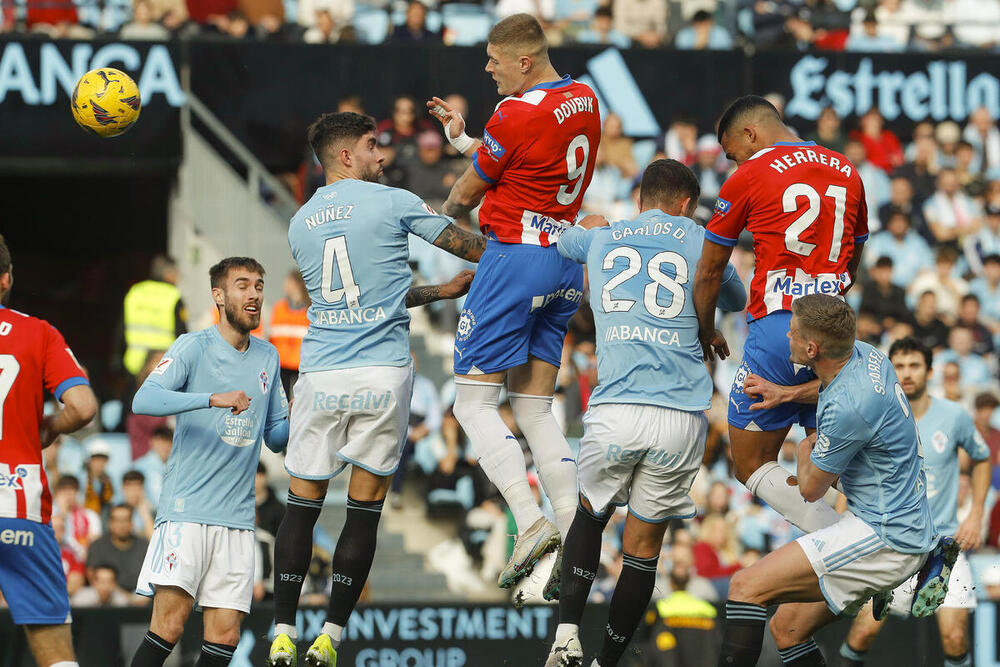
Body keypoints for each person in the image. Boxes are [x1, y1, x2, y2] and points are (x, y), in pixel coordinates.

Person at [267, 111, 484, 667]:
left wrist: (436, 291)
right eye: (372, 146)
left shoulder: (300, 224)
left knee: (302, 506)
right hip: (382, 372)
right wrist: (532, 244)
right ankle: (332, 637)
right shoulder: (394, 201)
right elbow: (470, 246)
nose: (382, 156)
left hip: (319, 373)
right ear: (346, 156)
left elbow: (360, 294)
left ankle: (283, 631)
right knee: (363, 511)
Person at [543, 159, 747, 667]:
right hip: (680, 417)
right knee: (642, 547)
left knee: (590, 515)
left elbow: (562, 237)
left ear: (640, 199)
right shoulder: (702, 240)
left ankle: (567, 635)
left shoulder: (602, 238)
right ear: (685, 204)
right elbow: (737, 298)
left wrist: (589, 224)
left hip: (617, 408)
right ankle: (605, 662)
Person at [425, 12, 602, 593]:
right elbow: (522, 159)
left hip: (515, 259)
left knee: (472, 405)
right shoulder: (583, 98)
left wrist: (433, 223)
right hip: (563, 259)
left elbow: (470, 188)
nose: (488, 68)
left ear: (523, 60)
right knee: (532, 410)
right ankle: (577, 534)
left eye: (494, 60)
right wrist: (462, 138)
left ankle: (529, 523)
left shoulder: (515, 111)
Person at [717, 294, 956, 667]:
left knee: (744, 588)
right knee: (787, 629)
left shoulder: (849, 407)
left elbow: (811, 490)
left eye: (792, 334)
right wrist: (787, 394)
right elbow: (826, 383)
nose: (787, 339)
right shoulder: (866, 354)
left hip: (884, 537)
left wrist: (801, 453)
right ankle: (919, 558)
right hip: (898, 513)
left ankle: (895, 571)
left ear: (811, 348)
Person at [692, 95, 867, 535]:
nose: (735, 164)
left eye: (733, 154)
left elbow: (711, 269)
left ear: (750, 134)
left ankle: (851, 545)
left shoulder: (750, 174)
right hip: (837, 326)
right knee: (825, 462)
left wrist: (706, 329)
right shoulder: (847, 168)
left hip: (780, 326)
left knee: (750, 463)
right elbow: (854, 256)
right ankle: (885, 547)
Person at [129, 257, 290, 667]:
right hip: (187, 513)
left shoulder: (268, 357)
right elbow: (143, 399)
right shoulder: (192, 346)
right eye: (242, 285)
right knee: (169, 626)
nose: (253, 294)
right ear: (218, 296)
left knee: (226, 636)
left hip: (237, 520)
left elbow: (276, 438)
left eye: (258, 284)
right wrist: (210, 398)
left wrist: (308, 412)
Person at [838, 338, 991, 667]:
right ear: (890, 371)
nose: (907, 374)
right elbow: (848, 475)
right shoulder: (872, 418)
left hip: (943, 544)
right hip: (888, 543)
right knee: (862, 632)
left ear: (929, 371)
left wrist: (976, 513)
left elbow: (982, 458)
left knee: (955, 638)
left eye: (915, 366)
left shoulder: (954, 416)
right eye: (900, 366)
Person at [0, 233, 98, 667]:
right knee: (57, 657)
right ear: (6, 280)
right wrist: (51, 429)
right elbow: (82, 407)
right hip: (18, 505)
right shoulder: (37, 332)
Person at [119, 255, 187, 379]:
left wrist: (116, 359)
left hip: (133, 363)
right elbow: (182, 335)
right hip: (162, 365)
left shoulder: (135, 291)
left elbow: (121, 328)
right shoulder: (173, 296)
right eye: (176, 272)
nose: (178, 277)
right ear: (168, 273)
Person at [86, 504, 150, 595]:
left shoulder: (144, 545)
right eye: (117, 520)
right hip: (108, 595)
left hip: (140, 594)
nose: (121, 525)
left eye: (125, 520)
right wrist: (124, 596)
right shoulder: (97, 546)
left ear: (131, 523)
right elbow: (91, 576)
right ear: (110, 523)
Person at [268, 270, 310, 398]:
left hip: (301, 363)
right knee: (282, 400)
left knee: (301, 400)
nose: (285, 286)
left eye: (288, 282)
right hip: (282, 363)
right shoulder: (279, 308)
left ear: (297, 284)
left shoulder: (309, 309)